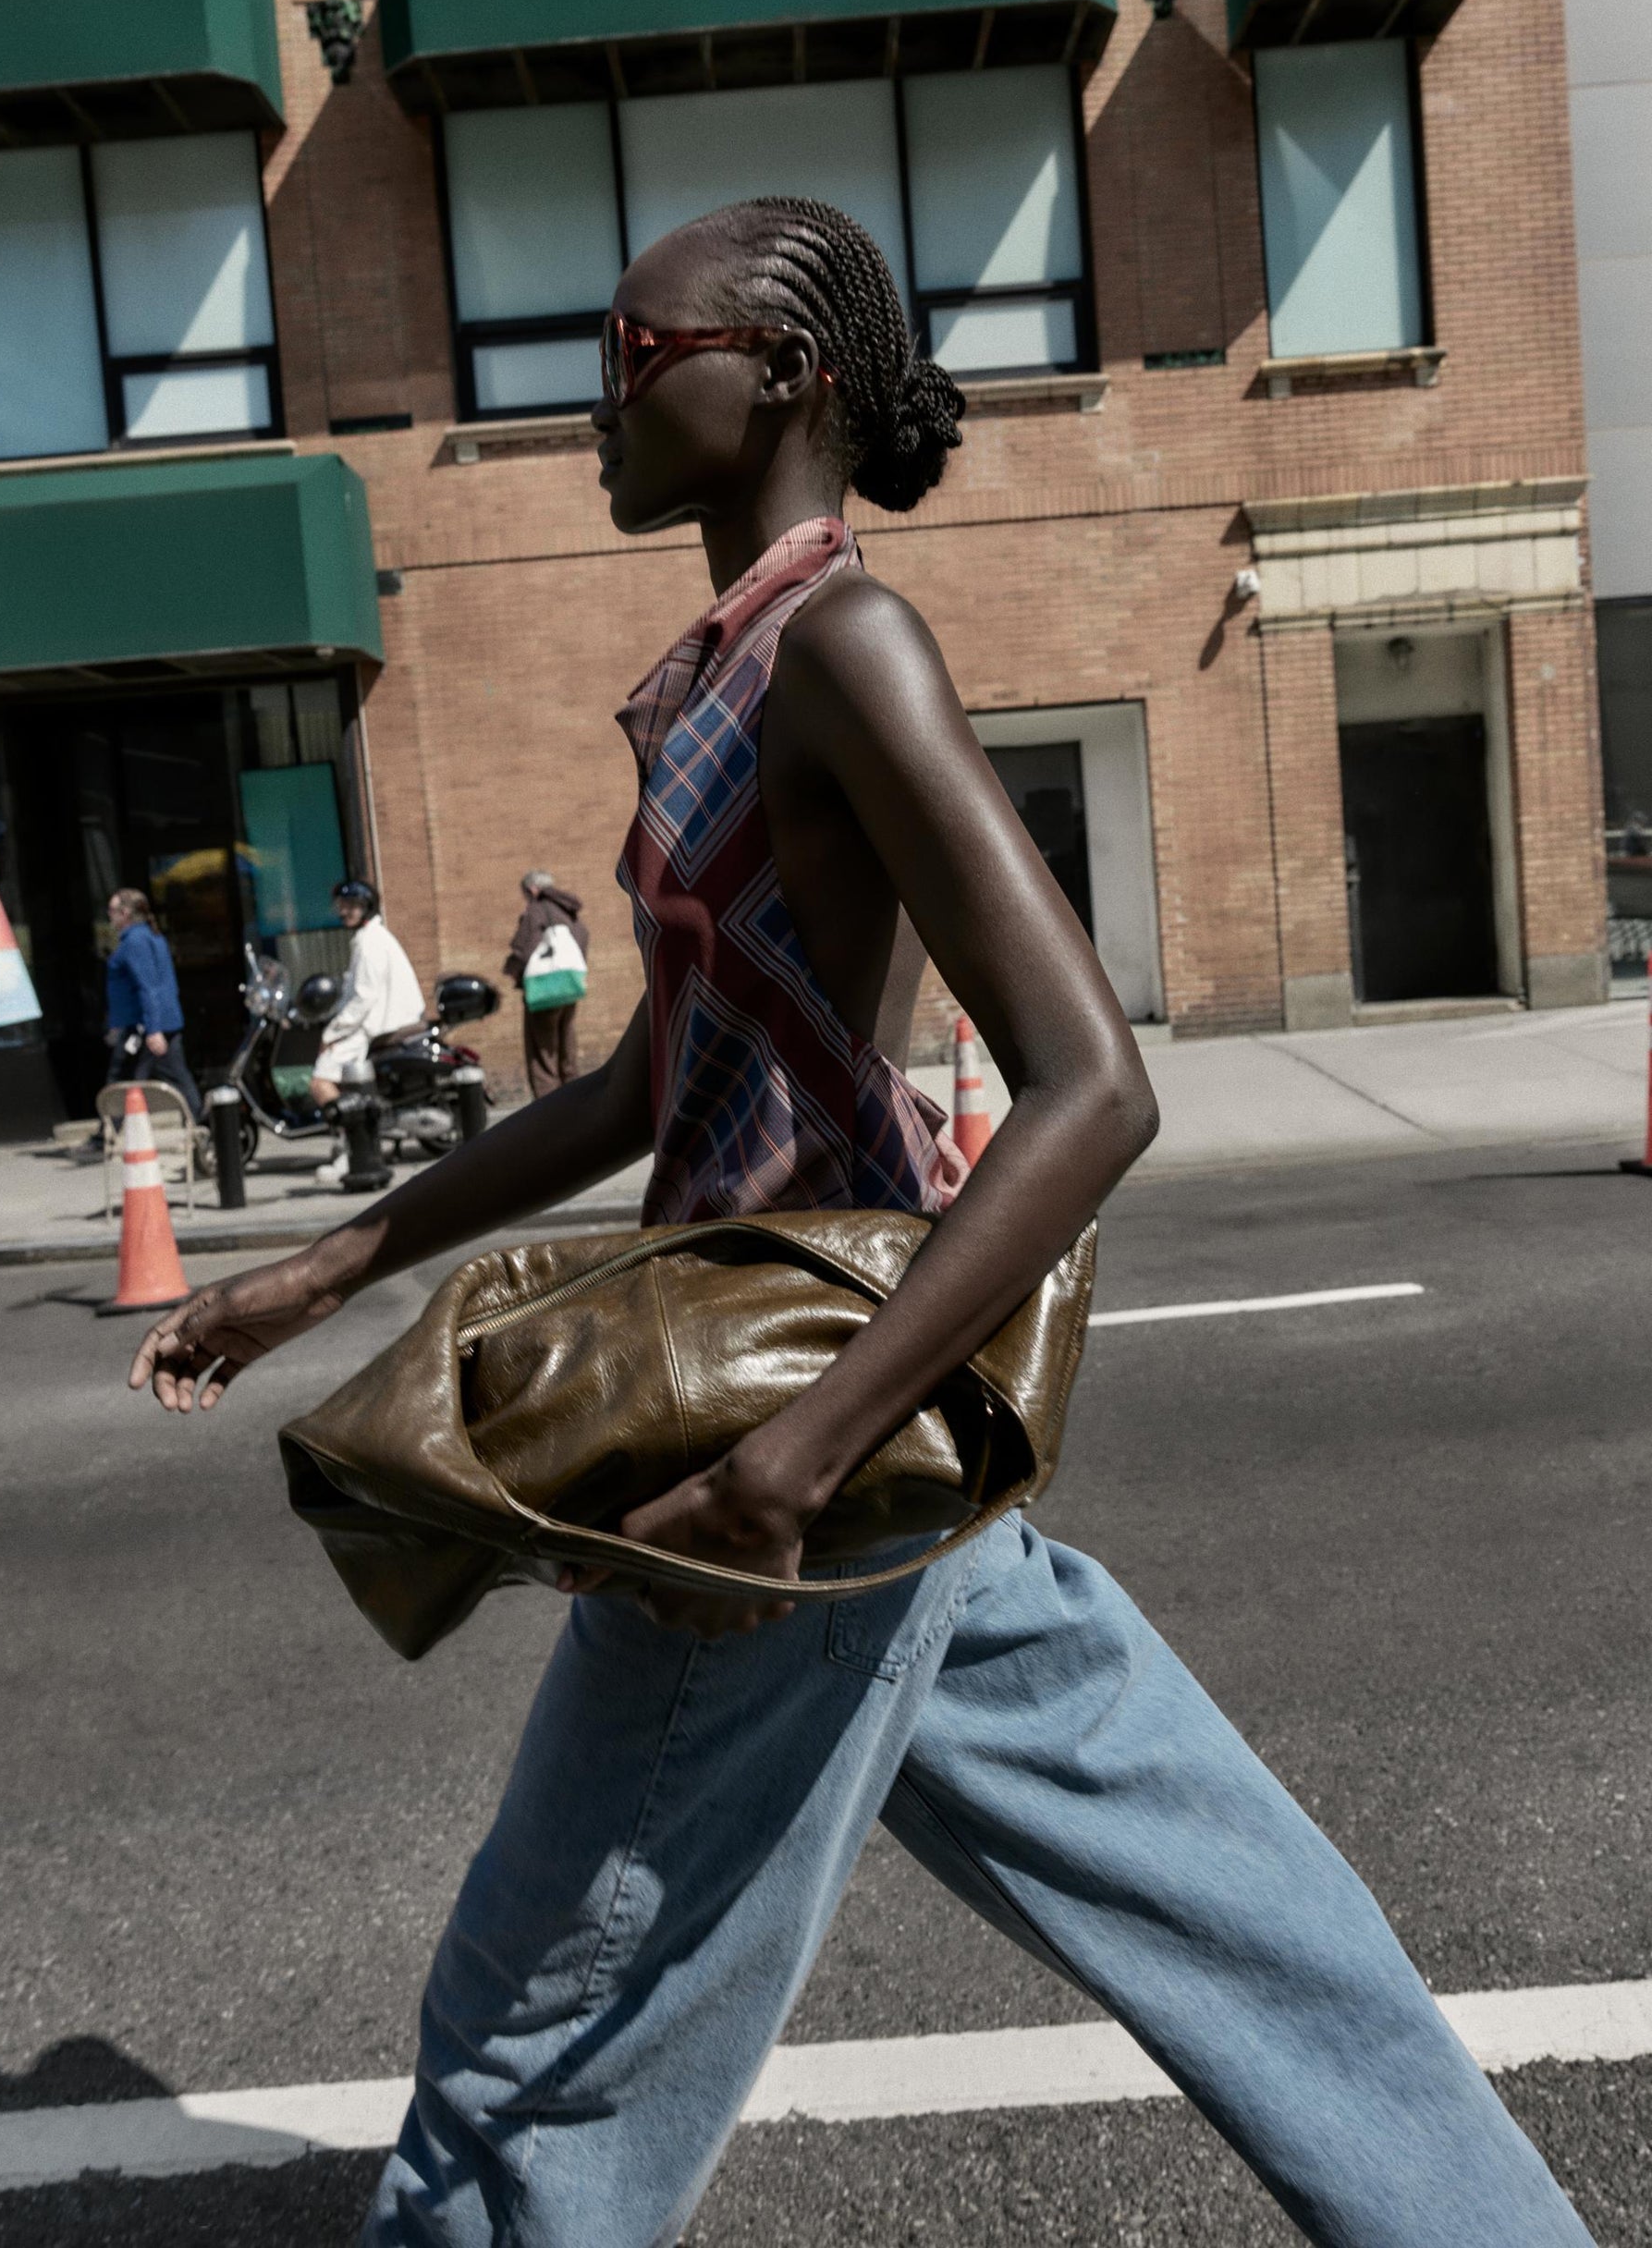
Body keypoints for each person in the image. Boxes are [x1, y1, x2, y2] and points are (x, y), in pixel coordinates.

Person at [129, 199, 1595, 2248]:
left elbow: (1097, 1086)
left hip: (794, 1424)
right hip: (858, 1427)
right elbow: (650, 1088)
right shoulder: (735, 664)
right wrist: (308, 1273)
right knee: (1250, 1933)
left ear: (783, 377)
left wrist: (779, 1476)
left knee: (529, 2056)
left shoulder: (844, 642)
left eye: (637, 359)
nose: (598, 404)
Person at [308, 878, 424, 1189]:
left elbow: (363, 997)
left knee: (321, 1083)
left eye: (351, 906)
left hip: (375, 1024)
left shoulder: (368, 941)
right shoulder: (372, 937)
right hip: (378, 1021)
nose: (344, 911)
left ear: (366, 907)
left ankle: (354, 1151)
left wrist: (330, 1033)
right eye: (342, 906)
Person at [103, 888, 203, 1119]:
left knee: (121, 1081)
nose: (109, 916)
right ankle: (204, 1123)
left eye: (112, 910)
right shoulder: (151, 937)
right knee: (176, 1077)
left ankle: (106, 1134)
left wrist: (153, 1028)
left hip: (143, 1027)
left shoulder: (136, 941)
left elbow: (147, 987)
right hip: (158, 1023)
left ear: (125, 913)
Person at [503, 869, 589, 1098]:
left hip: (544, 991)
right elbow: (583, 936)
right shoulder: (567, 910)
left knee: (542, 1055)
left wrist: (512, 971)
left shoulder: (535, 911)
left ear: (532, 889)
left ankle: (549, 1109)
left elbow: (523, 949)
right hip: (569, 987)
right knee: (566, 1048)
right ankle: (575, 1101)